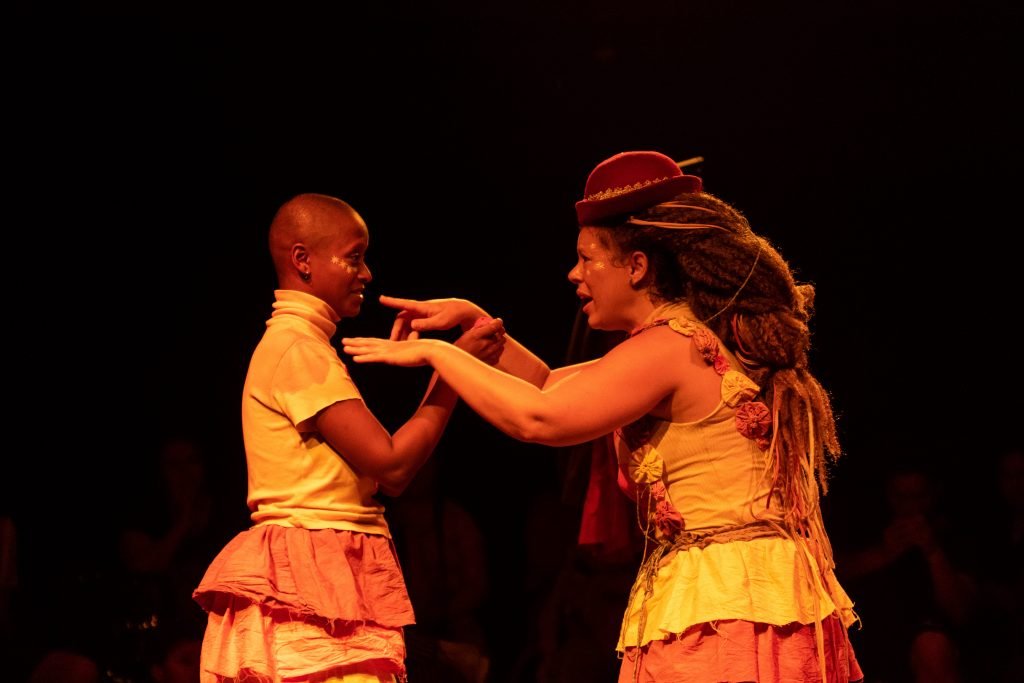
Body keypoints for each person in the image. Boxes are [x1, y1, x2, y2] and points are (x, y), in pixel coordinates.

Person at [343, 151, 864, 682]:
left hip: (727, 602)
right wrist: (478, 324)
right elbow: (548, 385)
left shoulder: (668, 346)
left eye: (588, 259)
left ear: (636, 266)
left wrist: (438, 355)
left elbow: (541, 419)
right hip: (743, 590)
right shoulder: (681, 339)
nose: (575, 275)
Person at [191, 193, 505, 683]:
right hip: (313, 575)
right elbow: (394, 466)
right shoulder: (298, 348)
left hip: (319, 566)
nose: (367, 273)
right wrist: (453, 368)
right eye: (354, 257)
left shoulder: (303, 345)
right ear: (302, 260)